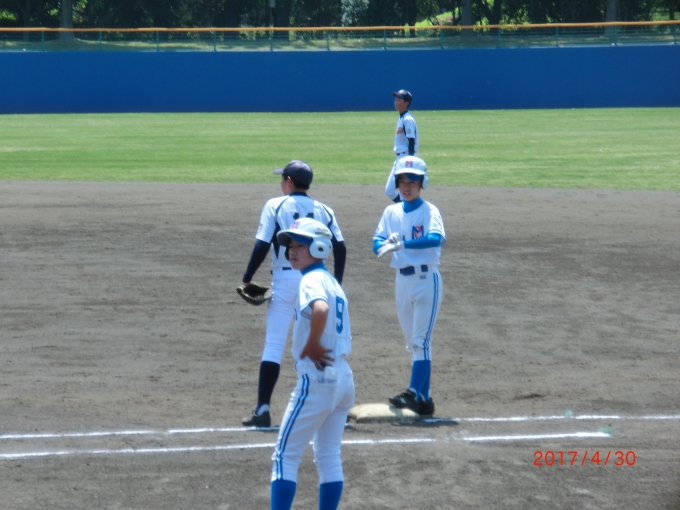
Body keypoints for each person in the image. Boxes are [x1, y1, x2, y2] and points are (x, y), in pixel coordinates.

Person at [241, 160, 346, 428]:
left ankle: (263, 409)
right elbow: (340, 247)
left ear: (289, 181)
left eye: (282, 179)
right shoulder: (325, 210)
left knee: (274, 345)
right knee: (321, 341)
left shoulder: (275, 205)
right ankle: (333, 403)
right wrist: (336, 283)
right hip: (316, 278)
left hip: (284, 280)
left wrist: (247, 277)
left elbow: (262, 243)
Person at [270, 218, 355, 510]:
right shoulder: (332, 281)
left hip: (317, 378)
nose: (292, 251)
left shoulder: (311, 280)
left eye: (300, 245)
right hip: (343, 378)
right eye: (290, 246)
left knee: (285, 456)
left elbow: (320, 309)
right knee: (328, 456)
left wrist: (312, 343)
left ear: (319, 247)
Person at [373, 156, 444, 415]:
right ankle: (425, 398)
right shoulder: (390, 212)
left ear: (422, 183)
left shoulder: (429, 211)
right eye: (402, 181)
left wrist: (402, 244)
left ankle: (413, 393)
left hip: (426, 280)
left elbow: (436, 238)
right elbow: (376, 243)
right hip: (402, 281)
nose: (406, 186)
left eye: (412, 181)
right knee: (412, 343)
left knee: (421, 341)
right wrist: (384, 244)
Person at [385, 89, 419, 203]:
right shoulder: (402, 119)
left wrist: (410, 161)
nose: (396, 101)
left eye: (399, 99)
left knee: (392, 190)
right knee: (393, 190)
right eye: (396, 99)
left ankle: (406, 208)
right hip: (401, 158)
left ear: (406, 103)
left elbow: (411, 141)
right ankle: (405, 208)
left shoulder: (407, 119)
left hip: (406, 158)